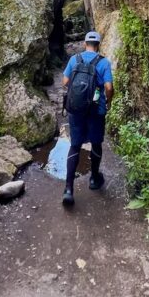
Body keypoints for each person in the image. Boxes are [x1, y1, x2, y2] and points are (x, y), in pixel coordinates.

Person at [61, 30, 114, 206]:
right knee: (96, 143)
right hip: (95, 110)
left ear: (85, 44)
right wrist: (108, 101)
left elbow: (65, 82)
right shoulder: (103, 62)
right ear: (98, 45)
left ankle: (68, 189)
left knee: (75, 145)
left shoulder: (74, 59)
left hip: (76, 110)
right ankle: (93, 179)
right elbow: (108, 86)